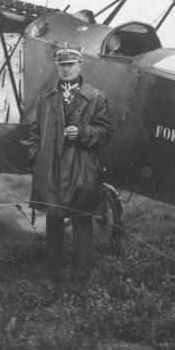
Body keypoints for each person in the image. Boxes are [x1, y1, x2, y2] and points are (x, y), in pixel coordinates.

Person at [27, 44, 113, 281]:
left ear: (79, 66)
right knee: (53, 219)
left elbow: (106, 132)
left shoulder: (96, 97)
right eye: (62, 65)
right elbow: (35, 131)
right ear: (57, 67)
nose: (66, 70)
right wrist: (37, 157)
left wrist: (83, 132)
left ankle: (81, 274)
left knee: (82, 220)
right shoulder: (46, 97)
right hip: (51, 168)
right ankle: (53, 270)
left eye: (70, 65)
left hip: (82, 168)